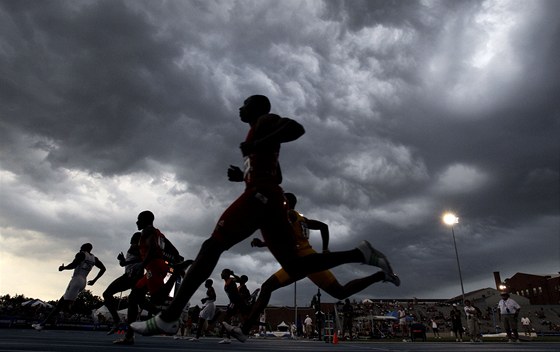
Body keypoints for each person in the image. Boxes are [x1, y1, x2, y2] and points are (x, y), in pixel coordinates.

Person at [131, 95, 396, 338]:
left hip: (261, 196)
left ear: (256, 107)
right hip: (269, 197)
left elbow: (296, 128)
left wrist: (257, 143)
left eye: (244, 104)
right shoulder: (258, 133)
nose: (239, 108)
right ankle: (359, 254)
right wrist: (243, 174)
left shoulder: (265, 121)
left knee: (212, 246)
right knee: (295, 267)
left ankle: (169, 315)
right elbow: (277, 174)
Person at [113, 211, 188, 345]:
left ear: (144, 220)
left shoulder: (146, 231)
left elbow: (152, 247)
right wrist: (177, 261)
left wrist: (143, 263)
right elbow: (174, 251)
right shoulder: (160, 234)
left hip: (153, 266)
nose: (137, 222)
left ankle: (170, 317)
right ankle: (129, 336)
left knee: (158, 298)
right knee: (134, 298)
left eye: (138, 219)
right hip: (155, 266)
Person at [32, 243, 106, 330]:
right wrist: (94, 280)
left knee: (65, 307)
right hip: (83, 281)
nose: (79, 250)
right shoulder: (94, 258)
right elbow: (103, 268)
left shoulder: (81, 254)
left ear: (83, 248)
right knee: (61, 305)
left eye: (81, 248)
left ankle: (89, 312)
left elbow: (74, 265)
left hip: (76, 280)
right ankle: (43, 324)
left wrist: (63, 268)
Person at [102, 232, 144, 335]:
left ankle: (119, 322)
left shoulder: (138, 248)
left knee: (108, 294)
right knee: (137, 302)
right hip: (129, 275)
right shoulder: (132, 249)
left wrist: (125, 262)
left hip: (133, 276)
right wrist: (122, 260)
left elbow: (144, 259)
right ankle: (121, 324)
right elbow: (124, 264)